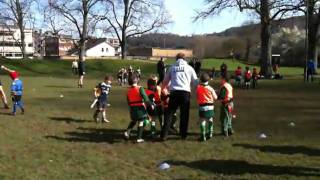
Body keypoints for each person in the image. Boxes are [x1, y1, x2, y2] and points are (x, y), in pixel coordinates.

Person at [161, 53, 198, 140]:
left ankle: (164, 135)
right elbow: (196, 82)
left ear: (176, 59)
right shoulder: (189, 68)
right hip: (185, 92)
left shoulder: (172, 68)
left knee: (169, 114)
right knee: (184, 114)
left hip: (174, 92)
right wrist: (192, 89)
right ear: (185, 59)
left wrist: (163, 89)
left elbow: (165, 81)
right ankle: (183, 134)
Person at [124, 74, 152, 143]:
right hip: (140, 109)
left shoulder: (128, 90)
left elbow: (128, 101)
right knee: (142, 121)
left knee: (134, 120)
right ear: (136, 80)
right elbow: (145, 97)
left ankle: (127, 132)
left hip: (132, 109)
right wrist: (150, 104)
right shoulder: (140, 88)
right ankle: (139, 137)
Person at [196, 73, 218, 141]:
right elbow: (215, 98)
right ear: (208, 80)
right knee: (210, 119)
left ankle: (203, 136)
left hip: (202, 106)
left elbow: (197, 97)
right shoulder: (210, 88)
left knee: (202, 120)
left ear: (200, 80)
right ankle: (210, 133)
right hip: (210, 106)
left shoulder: (198, 88)